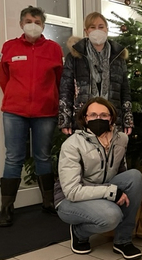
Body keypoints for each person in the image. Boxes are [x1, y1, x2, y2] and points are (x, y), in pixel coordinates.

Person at [54, 97, 142, 259]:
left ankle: (123, 240)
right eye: (93, 115)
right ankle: (79, 232)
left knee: (134, 177)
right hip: (71, 200)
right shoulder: (72, 144)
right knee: (112, 216)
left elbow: (121, 172)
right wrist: (111, 192)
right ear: (85, 118)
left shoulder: (121, 139)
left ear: (111, 118)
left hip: (102, 189)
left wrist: (114, 191)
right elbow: (72, 191)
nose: (98, 119)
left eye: (104, 115)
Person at [0, 6, 63, 227]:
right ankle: (6, 209)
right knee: (13, 157)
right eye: (28, 21)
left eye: (37, 21)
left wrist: (49, 99)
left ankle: (48, 203)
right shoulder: (9, 47)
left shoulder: (54, 49)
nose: (32, 25)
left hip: (45, 112)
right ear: (21, 24)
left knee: (43, 157)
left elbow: (59, 79)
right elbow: (4, 77)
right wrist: (15, 97)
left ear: (43, 25)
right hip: (14, 112)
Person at [59, 12, 134, 135]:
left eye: (101, 26)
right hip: (83, 118)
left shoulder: (118, 57)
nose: (97, 30)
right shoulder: (74, 57)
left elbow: (125, 91)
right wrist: (65, 120)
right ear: (86, 31)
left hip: (112, 117)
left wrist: (128, 120)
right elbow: (66, 90)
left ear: (107, 29)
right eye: (92, 27)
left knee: (112, 153)